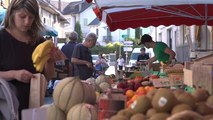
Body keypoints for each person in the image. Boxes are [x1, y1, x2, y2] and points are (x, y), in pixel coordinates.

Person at [0, 0, 63, 119]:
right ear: (12, 13)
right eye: (22, 16)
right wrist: (14, 74)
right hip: (5, 108)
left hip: (34, 107)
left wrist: (50, 61)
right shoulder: (2, 39)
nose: (27, 22)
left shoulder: (39, 42)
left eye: (31, 17)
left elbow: (47, 77)